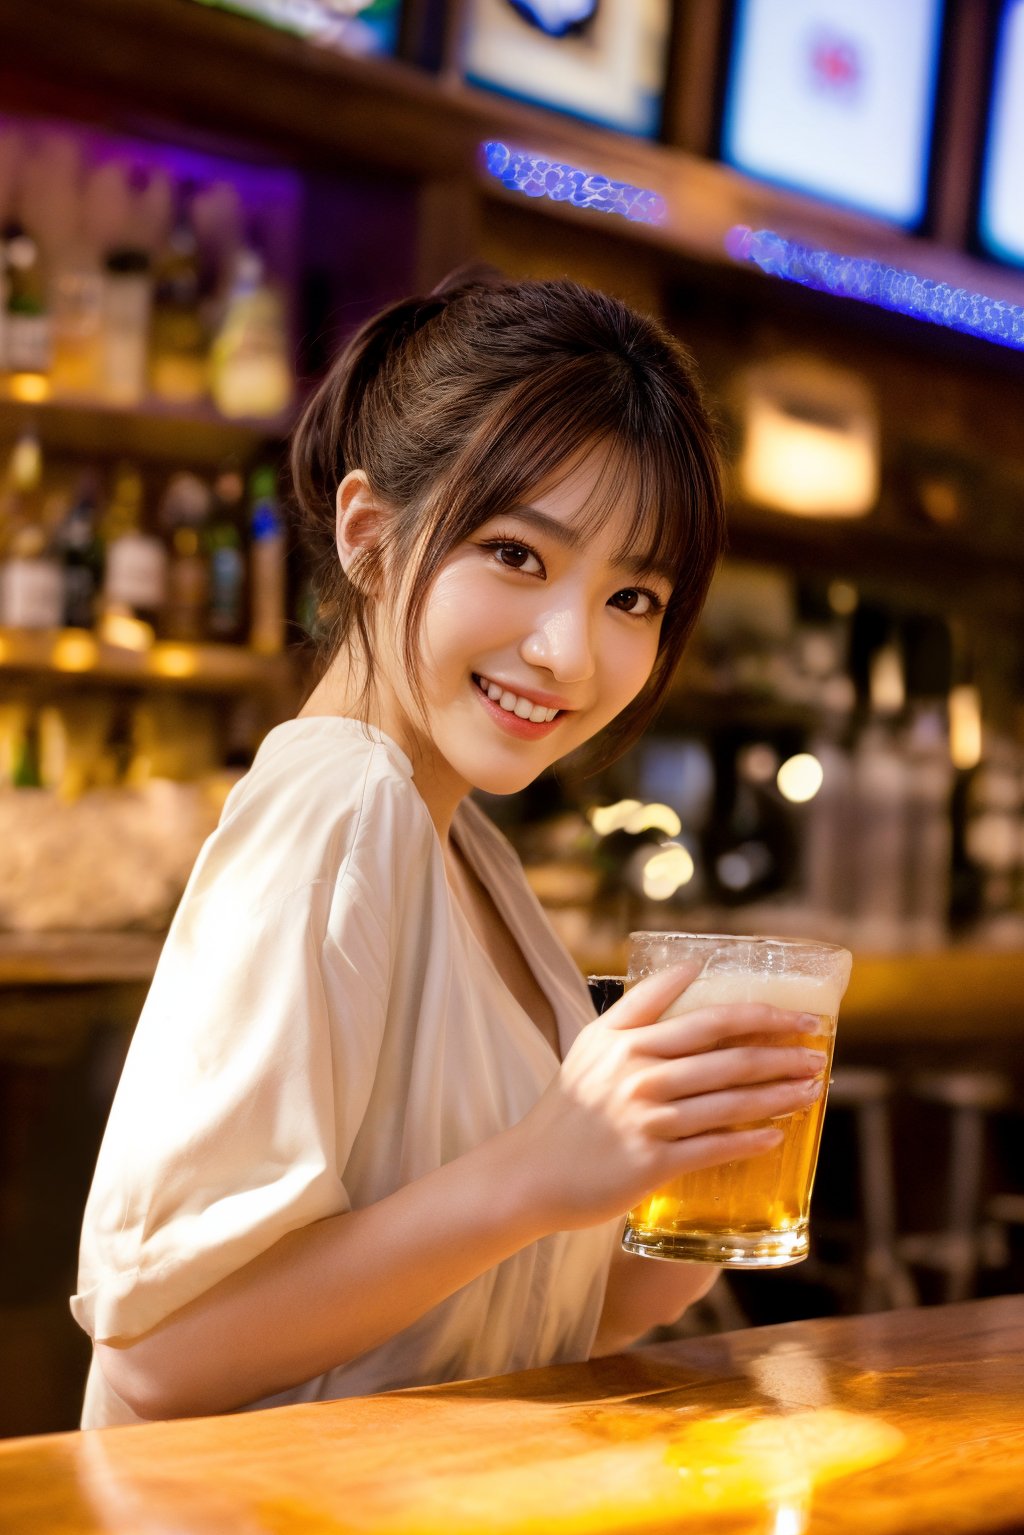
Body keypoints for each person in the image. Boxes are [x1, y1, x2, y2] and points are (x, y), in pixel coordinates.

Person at [71, 270, 827, 1426]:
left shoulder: (465, 848)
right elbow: (162, 1352)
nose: (570, 653)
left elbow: (564, 1305)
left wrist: (692, 1173)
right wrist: (537, 1170)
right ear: (371, 535)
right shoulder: (339, 801)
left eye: (633, 597)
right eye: (518, 556)